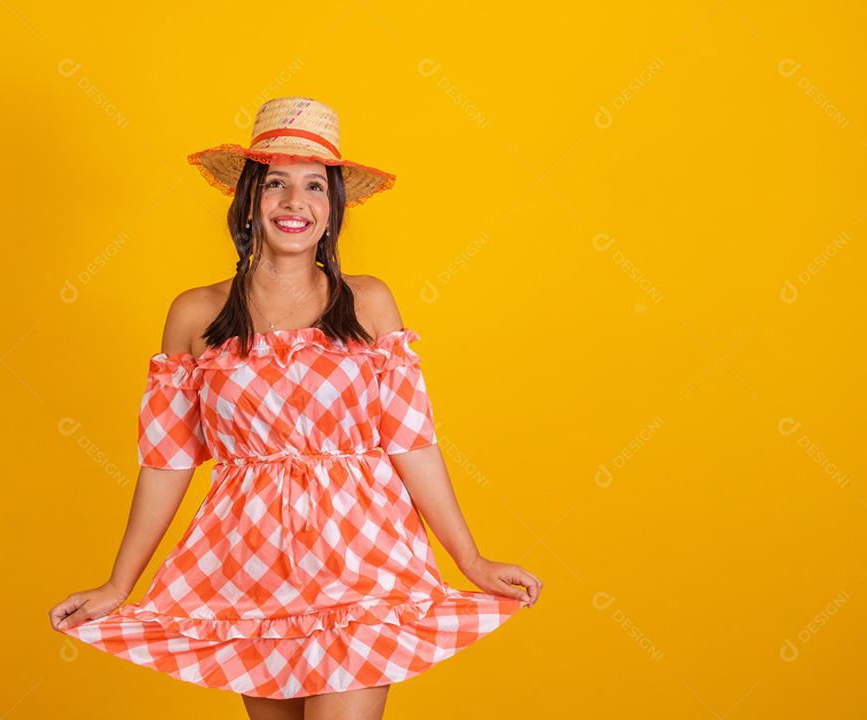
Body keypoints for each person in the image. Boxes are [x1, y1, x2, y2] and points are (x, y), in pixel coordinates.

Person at [48, 96, 542, 720]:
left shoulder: (369, 303)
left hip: (364, 558)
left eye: (314, 186)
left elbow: (412, 443)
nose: (293, 202)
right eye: (275, 183)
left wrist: (470, 558)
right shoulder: (195, 315)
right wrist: (119, 584)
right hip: (248, 563)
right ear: (248, 201)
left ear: (333, 208)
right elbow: (164, 463)